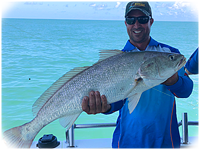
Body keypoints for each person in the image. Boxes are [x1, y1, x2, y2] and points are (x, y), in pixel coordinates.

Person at [81, 1, 193, 148]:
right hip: (128, 140)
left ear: (151, 21)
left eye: (142, 19)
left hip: (165, 140)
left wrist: (174, 81)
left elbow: (186, 90)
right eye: (131, 20)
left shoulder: (169, 54)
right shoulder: (117, 60)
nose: (136, 24)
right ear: (125, 23)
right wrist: (105, 107)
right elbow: (117, 101)